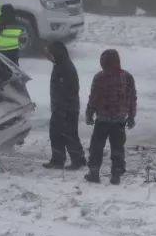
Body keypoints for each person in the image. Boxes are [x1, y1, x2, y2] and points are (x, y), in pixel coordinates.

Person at [84, 49, 137, 185]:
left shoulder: (99, 77)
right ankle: (116, 174)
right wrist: (131, 116)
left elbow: (93, 98)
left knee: (96, 146)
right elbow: (132, 98)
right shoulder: (127, 77)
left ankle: (94, 172)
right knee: (118, 147)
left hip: (102, 120)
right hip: (119, 121)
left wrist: (89, 113)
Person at [43, 41, 86, 170]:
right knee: (58, 133)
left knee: (67, 134)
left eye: (50, 53)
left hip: (66, 108)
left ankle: (74, 160)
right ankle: (62, 159)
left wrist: (62, 109)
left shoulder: (65, 68)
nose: (48, 56)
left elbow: (69, 90)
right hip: (61, 107)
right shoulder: (60, 64)